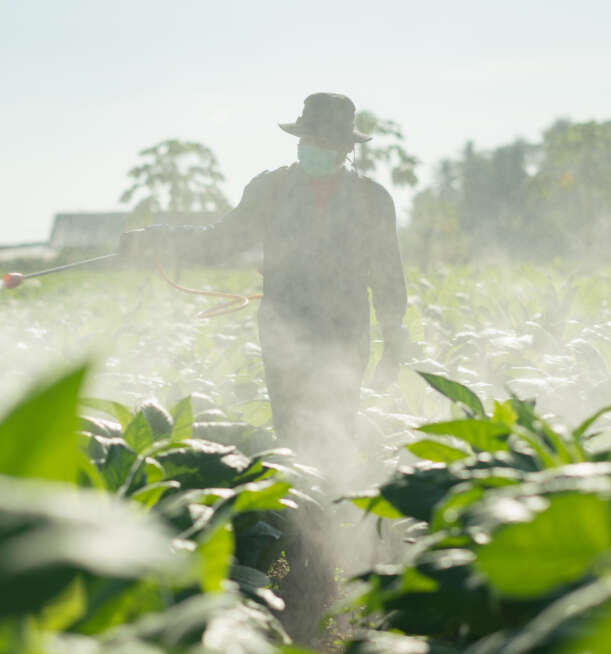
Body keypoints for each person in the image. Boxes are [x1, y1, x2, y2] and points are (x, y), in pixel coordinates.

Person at [128, 92, 408, 461]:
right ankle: (296, 504)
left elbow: (387, 273)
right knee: (291, 428)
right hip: (284, 327)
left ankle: (333, 502)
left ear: (345, 149)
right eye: (309, 140)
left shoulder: (372, 199)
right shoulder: (270, 190)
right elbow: (219, 242)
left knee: (337, 425)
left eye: (325, 142)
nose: (314, 148)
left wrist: (393, 339)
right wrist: (159, 239)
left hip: (347, 329)